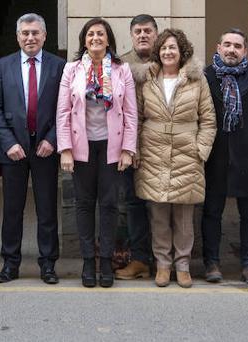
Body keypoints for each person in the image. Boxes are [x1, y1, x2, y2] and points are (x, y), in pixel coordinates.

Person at [57, 18, 138, 288]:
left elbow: (130, 112)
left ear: (108, 39)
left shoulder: (121, 69)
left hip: (110, 146)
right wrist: (65, 148)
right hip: (82, 146)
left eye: (100, 34)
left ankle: (105, 260)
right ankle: (87, 261)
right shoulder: (71, 69)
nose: (95, 38)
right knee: (83, 204)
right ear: (84, 40)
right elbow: (63, 111)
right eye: (90, 34)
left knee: (109, 204)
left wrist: (128, 149)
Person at [133, 29, 216, 288]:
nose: (168, 52)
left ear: (182, 52)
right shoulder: (147, 79)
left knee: (183, 216)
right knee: (158, 215)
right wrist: (135, 149)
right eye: (164, 48)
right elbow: (136, 117)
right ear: (158, 52)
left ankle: (182, 265)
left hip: (186, 153)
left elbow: (209, 120)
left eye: (173, 48)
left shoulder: (196, 80)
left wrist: (200, 150)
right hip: (153, 152)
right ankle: (163, 264)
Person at [0, 13, 66, 284]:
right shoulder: (3, 65)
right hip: (14, 150)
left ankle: (48, 264)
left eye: (35, 33)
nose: (30, 37)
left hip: (45, 148)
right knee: (12, 210)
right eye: (25, 33)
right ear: (18, 36)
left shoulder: (60, 66)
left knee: (47, 209)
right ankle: (10, 264)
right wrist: (8, 142)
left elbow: (64, 109)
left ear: (44, 36)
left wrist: (53, 139)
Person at [201, 29, 248, 285]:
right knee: (212, 213)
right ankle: (212, 263)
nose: (232, 49)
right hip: (214, 157)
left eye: (238, 46)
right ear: (218, 46)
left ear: (246, 50)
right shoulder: (206, 76)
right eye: (227, 45)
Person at [114, 14, 156, 280]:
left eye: (148, 31)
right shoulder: (120, 66)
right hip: (129, 148)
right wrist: (131, 147)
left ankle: (167, 260)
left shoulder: (168, 60)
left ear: (156, 33)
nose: (142, 35)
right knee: (133, 203)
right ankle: (139, 257)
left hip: (163, 146)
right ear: (131, 35)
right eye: (138, 31)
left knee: (164, 205)